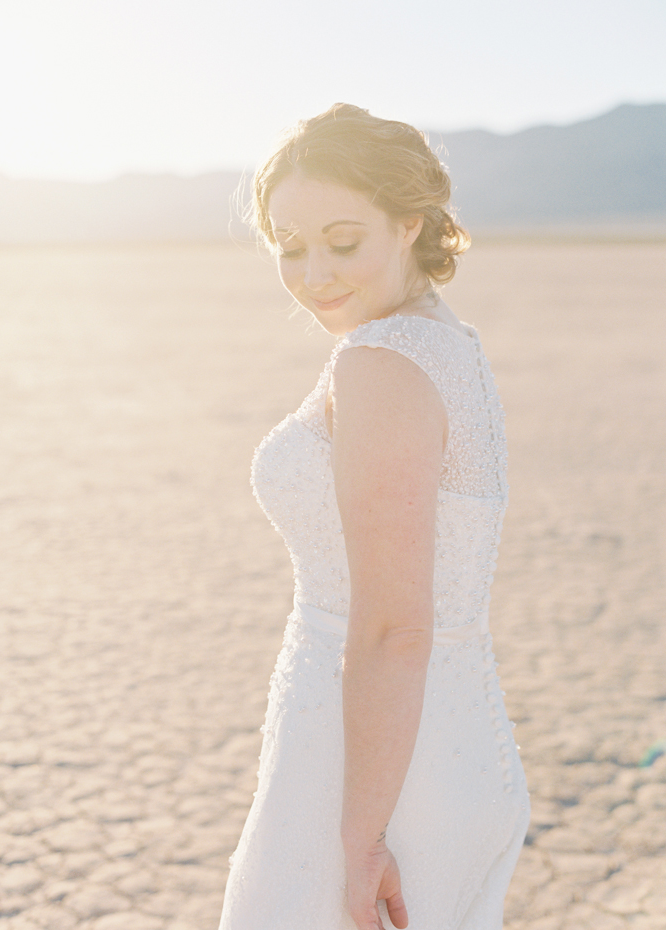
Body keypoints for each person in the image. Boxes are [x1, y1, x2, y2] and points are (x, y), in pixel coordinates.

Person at [218, 103, 530, 930]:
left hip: (378, 774)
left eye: (343, 240)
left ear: (409, 223)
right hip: (443, 736)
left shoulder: (382, 362)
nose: (314, 271)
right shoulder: (442, 339)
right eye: (290, 246)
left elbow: (395, 628)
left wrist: (359, 841)